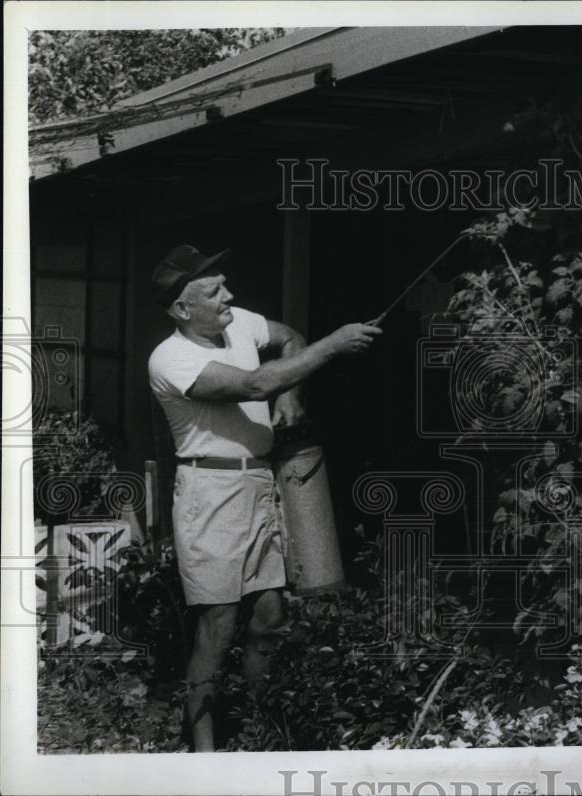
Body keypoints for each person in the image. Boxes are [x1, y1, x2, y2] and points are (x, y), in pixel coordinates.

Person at [147, 244, 382, 752]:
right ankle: (205, 756)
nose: (228, 295)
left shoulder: (241, 324)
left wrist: (291, 394)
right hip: (209, 494)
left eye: (225, 284)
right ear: (183, 309)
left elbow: (288, 338)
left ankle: (259, 729)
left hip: (260, 483)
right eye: (213, 291)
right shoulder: (171, 358)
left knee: (269, 617)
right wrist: (334, 344)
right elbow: (255, 384)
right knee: (218, 622)